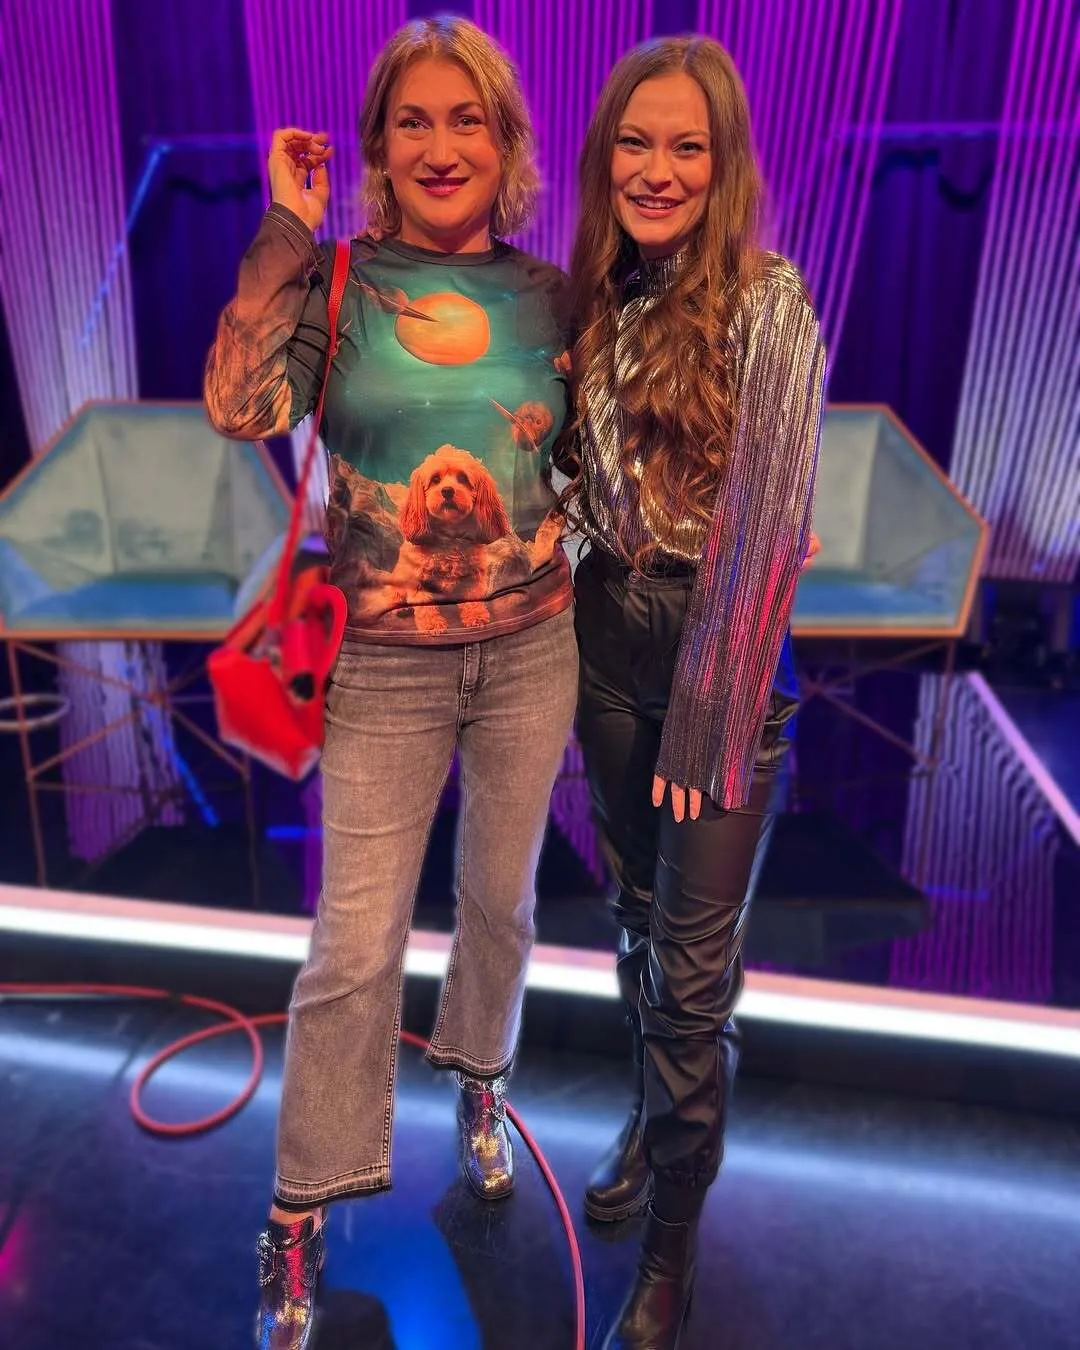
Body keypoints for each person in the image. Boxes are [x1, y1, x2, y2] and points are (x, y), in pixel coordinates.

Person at [204, 18, 577, 1349]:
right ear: (377, 146)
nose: (440, 144)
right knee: (353, 946)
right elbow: (240, 404)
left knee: (500, 903)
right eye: (412, 120)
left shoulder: (552, 295)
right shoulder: (342, 279)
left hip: (532, 648)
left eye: (466, 118)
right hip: (382, 660)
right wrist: (284, 227)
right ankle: (298, 1212)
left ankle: (481, 1083)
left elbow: (603, 459)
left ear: (506, 141)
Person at [559, 37, 827, 1350]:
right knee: (633, 918)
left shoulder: (766, 300)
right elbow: (579, 479)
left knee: (691, 980)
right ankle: (643, 1120)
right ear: (604, 155)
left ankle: (670, 1255)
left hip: (719, 655)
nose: (656, 170)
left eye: (686, 147)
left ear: (723, 167)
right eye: (635, 142)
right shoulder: (596, 299)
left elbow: (772, 516)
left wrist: (712, 715)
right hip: (607, 634)